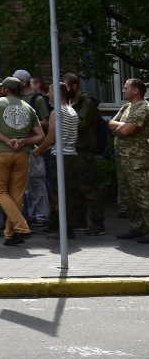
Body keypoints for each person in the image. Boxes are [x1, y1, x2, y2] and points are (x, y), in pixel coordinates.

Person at [0, 75, 40, 246]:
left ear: (5, 89)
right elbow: (40, 136)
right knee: (17, 194)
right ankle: (10, 234)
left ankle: (22, 227)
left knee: (0, 192)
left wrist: (7, 140)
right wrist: (23, 141)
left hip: (1, 152)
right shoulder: (29, 108)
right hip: (22, 154)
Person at [59, 73, 105, 238]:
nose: (64, 90)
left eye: (66, 86)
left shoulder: (87, 102)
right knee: (74, 188)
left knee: (89, 188)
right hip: (73, 149)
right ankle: (79, 222)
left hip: (84, 150)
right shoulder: (73, 103)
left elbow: (81, 123)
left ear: (75, 86)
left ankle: (97, 223)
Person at [108, 77, 149, 243]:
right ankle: (138, 228)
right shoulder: (126, 107)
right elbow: (110, 123)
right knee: (128, 196)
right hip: (123, 159)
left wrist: (121, 126)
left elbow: (127, 131)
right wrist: (121, 125)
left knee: (144, 195)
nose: (123, 90)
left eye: (126, 88)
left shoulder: (144, 108)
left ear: (136, 91)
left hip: (138, 160)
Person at [22, 74, 55, 231]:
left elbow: (46, 121)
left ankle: (41, 215)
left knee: (37, 181)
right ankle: (30, 214)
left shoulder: (37, 99)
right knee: (25, 183)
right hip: (21, 147)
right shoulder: (15, 98)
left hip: (35, 146)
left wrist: (28, 125)